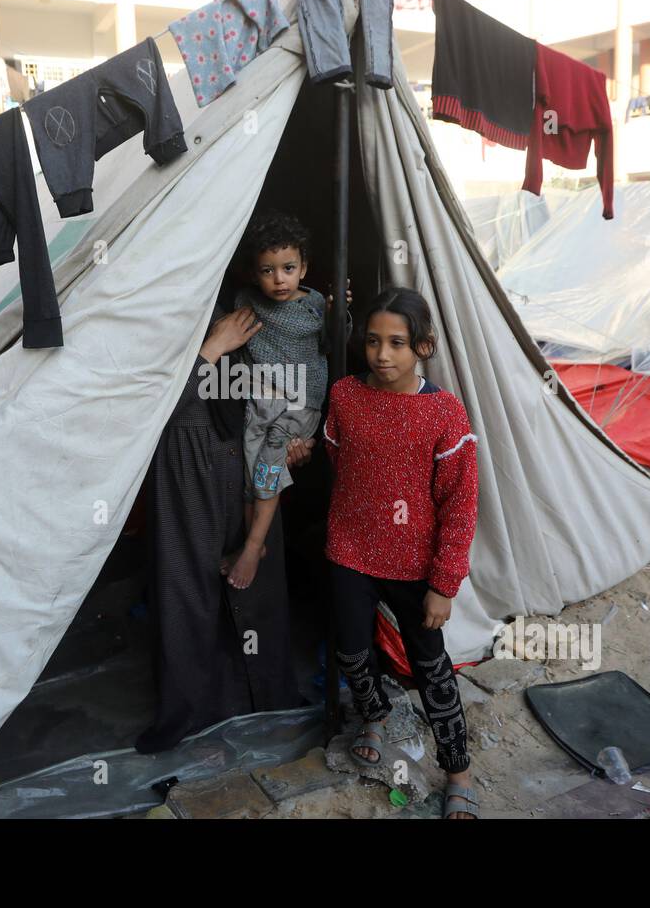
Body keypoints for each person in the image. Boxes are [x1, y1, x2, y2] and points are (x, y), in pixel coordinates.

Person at [322, 286, 481, 819]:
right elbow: (337, 460)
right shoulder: (344, 395)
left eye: (396, 343)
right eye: (372, 341)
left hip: (416, 564)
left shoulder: (444, 414)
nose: (382, 355)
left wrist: (444, 583)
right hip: (349, 547)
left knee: (431, 666)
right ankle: (375, 715)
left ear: (423, 348)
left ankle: (457, 769)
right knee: (351, 649)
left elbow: (460, 504)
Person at [135, 305, 307, 754]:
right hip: (187, 457)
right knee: (186, 586)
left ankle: (263, 698)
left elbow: (295, 368)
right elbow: (147, 408)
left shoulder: (261, 304)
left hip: (245, 455)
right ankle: (189, 711)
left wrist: (292, 434)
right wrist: (212, 348)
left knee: (257, 584)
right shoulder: (155, 307)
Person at [223, 211, 334, 591]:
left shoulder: (315, 305)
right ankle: (253, 544)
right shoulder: (246, 302)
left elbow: (331, 340)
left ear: (303, 267)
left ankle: (254, 547)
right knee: (250, 476)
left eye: (288, 268)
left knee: (269, 465)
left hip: (299, 404)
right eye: (267, 270)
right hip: (260, 402)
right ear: (254, 274)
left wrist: (339, 315)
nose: (279, 278)